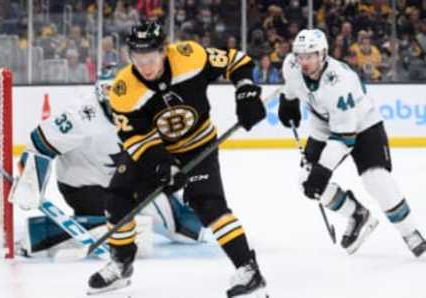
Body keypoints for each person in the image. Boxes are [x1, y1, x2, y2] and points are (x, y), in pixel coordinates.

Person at [87, 21, 268, 297]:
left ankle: (248, 268)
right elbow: (135, 138)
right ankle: (121, 264)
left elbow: (236, 60)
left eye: (150, 57)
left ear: (164, 51)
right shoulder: (124, 89)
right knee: (117, 197)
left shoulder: (190, 57)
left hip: (198, 146)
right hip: (156, 149)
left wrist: (246, 91)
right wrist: (162, 164)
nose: (145, 66)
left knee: (208, 204)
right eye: (137, 58)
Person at [17, 73, 206, 257]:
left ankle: (100, 224)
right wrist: (30, 182)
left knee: (189, 231)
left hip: (125, 180)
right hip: (85, 187)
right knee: (134, 230)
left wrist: (173, 169)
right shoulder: (82, 115)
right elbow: (39, 143)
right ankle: (41, 233)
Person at [278, 29, 426, 257]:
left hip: (364, 125)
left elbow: (344, 138)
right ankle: (357, 215)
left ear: (323, 54)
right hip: (323, 128)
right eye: (301, 56)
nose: (304, 62)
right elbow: (291, 83)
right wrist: (287, 101)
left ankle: (410, 232)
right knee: (306, 180)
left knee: (376, 180)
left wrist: (323, 170)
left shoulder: (341, 82)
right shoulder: (292, 65)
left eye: (310, 56)